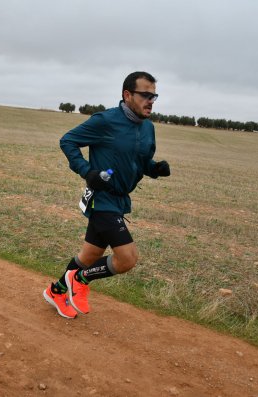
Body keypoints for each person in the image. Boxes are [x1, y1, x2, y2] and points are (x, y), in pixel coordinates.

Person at [43, 71, 171, 318]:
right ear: (127, 94)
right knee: (127, 259)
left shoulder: (148, 129)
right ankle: (79, 280)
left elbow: (141, 161)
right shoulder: (105, 121)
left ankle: (56, 291)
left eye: (154, 96)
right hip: (102, 198)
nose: (151, 100)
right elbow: (67, 141)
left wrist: (155, 169)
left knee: (90, 255)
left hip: (120, 199)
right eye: (145, 95)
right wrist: (87, 171)